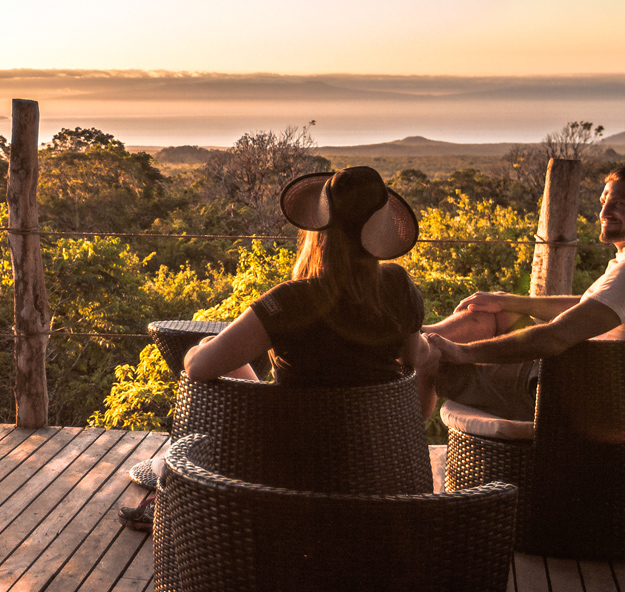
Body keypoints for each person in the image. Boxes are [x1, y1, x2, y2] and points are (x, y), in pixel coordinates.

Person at [120, 165, 427, 530]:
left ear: (321, 230)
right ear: (377, 231)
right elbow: (416, 361)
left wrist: (192, 353)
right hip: (373, 461)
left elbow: (200, 368)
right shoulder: (397, 286)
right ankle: (169, 482)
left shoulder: (293, 300)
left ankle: (174, 493)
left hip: (288, 466)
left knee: (205, 354)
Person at [420, 163, 625, 422]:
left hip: (563, 398)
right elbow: (588, 306)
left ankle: (405, 446)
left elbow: (556, 337)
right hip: (578, 381)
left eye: (619, 204)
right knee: (495, 313)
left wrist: (462, 353)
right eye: (604, 201)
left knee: (430, 358)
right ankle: (418, 335)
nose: (604, 212)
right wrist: (507, 300)